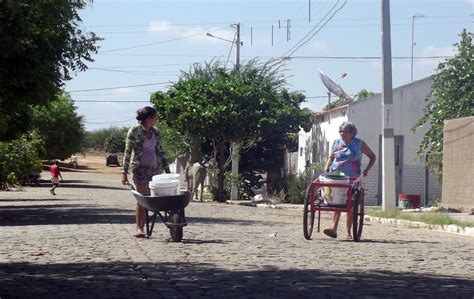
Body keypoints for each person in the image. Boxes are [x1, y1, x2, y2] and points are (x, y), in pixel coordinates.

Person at [121, 106, 170, 238]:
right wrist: (124, 172)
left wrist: (168, 171)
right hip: (139, 169)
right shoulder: (134, 131)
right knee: (142, 198)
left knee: (155, 197)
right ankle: (139, 228)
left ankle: (170, 223)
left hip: (154, 170)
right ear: (149, 118)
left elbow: (161, 151)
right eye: (155, 117)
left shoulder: (156, 132)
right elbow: (127, 152)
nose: (157, 119)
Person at [322, 121, 376, 240]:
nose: (342, 133)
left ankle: (348, 232)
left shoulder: (359, 143)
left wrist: (366, 170)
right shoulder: (336, 142)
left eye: (345, 131)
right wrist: (327, 166)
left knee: (350, 205)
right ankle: (334, 229)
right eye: (340, 131)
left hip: (352, 178)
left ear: (352, 133)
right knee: (336, 202)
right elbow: (331, 157)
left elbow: (373, 156)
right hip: (336, 177)